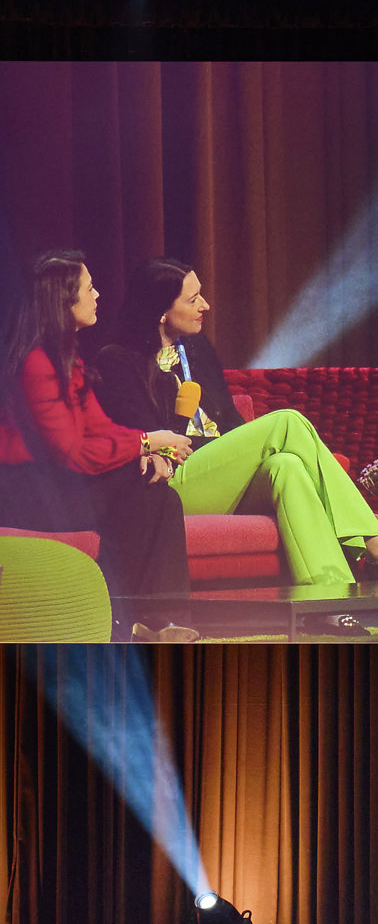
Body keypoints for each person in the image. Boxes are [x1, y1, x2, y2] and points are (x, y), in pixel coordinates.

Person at [85, 258, 378, 628]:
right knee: (287, 421)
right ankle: (373, 541)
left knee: (286, 467)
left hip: (219, 478)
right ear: (161, 312)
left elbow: (230, 424)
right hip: (170, 481)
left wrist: (241, 457)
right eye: (192, 300)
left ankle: (329, 604)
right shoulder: (118, 360)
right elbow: (152, 442)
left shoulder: (197, 349)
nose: (205, 306)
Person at [0, 250, 195, 640]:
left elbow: (102, 428)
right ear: (64, 300)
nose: (97, 295)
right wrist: (147, 442)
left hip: (59, 482)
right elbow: (72, 453)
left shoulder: (67, 359)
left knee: (159, 497)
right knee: (137, 493)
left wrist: (146, 450)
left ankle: (160, 621)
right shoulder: (37, 363)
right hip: (28, 492)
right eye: (89, 288)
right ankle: (127, 622)